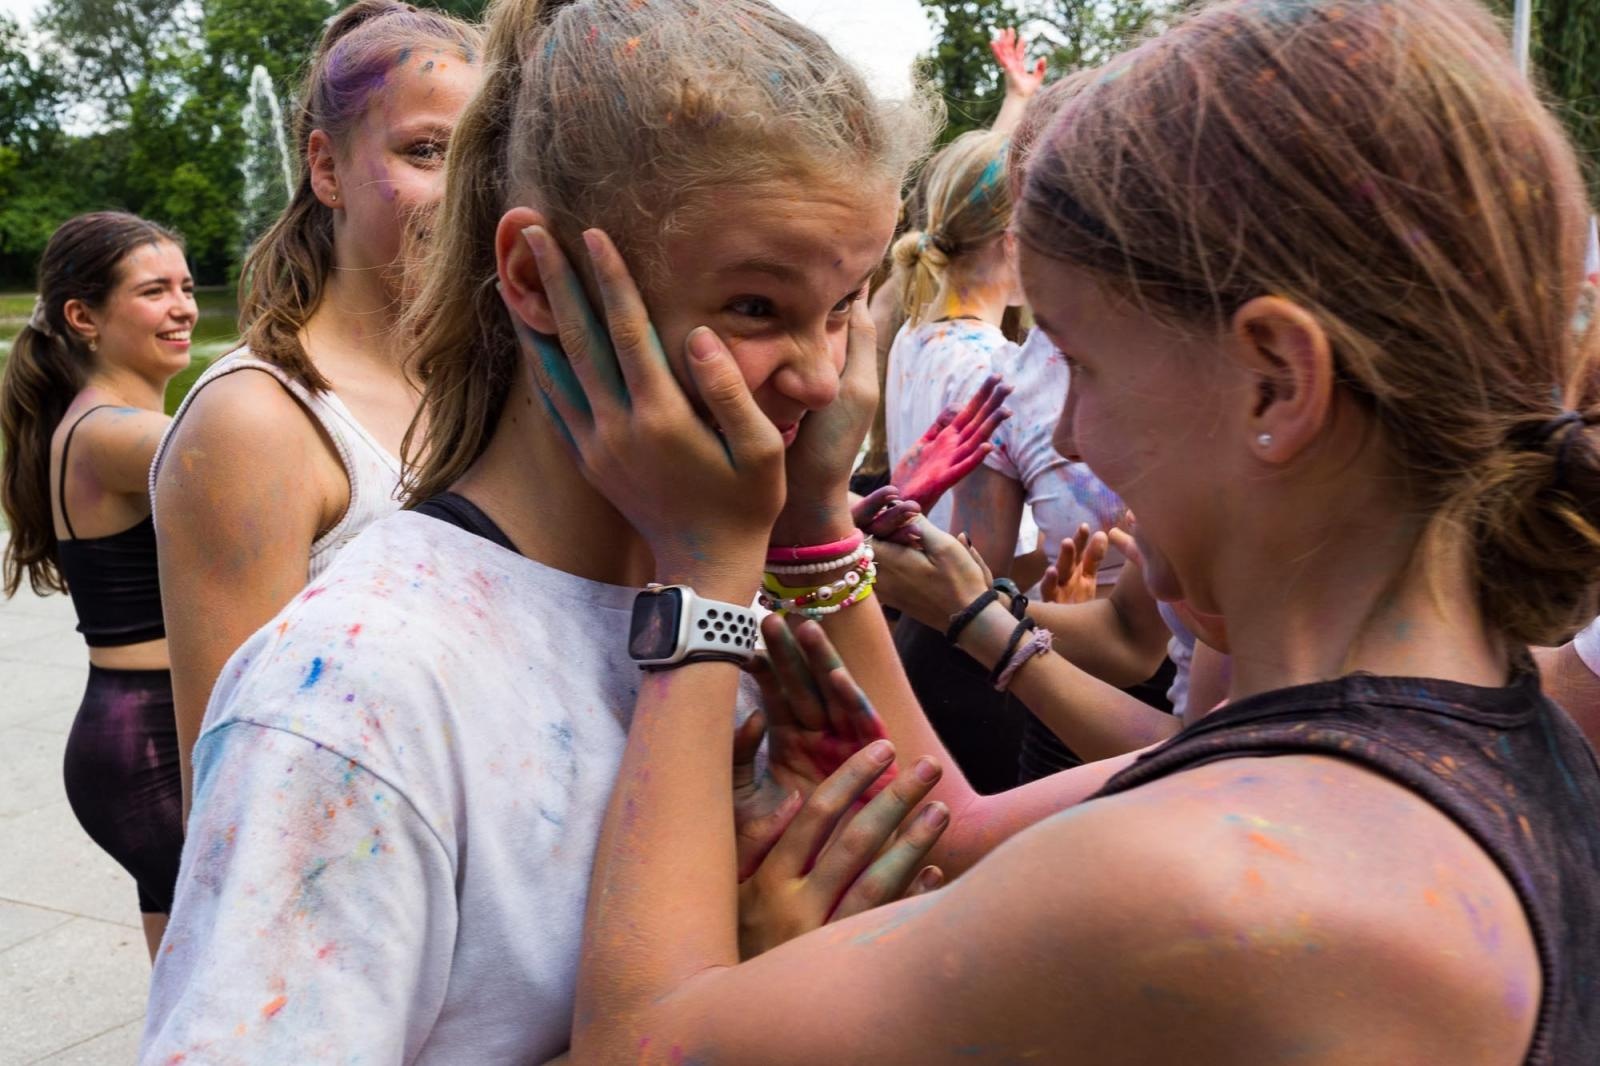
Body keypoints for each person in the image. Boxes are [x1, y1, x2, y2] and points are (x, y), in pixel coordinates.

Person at [551, 0, 1600, 1060]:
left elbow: (640, 1044)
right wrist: (815, 526)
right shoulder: (1485, 744)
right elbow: (950, 827)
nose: (1069, 432)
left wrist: (702, 572)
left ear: (1277, 382)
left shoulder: (1214, 885)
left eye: (1080, 363)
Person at [140, 0, 942, 1060]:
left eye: (843, 305)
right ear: (533, 280)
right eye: (755, 305)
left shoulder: (728, 584)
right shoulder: (354, 690)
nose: (821, 375)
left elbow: (952, 848)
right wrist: (739, 993)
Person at [150, 0, 484, 813]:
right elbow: (235, 808)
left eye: (480, 159)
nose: (460, 193)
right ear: (326, 169)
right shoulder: (257, 424)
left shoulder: (492, 388)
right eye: (425, 151)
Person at [0, 212, 196, 959]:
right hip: (145, 746)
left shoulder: (107, 424)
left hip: (144, 736)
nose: (181, 307)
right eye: (154, 291)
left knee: (186, 990)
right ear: (83, 317)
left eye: (184, 286)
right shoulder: (118, 434)